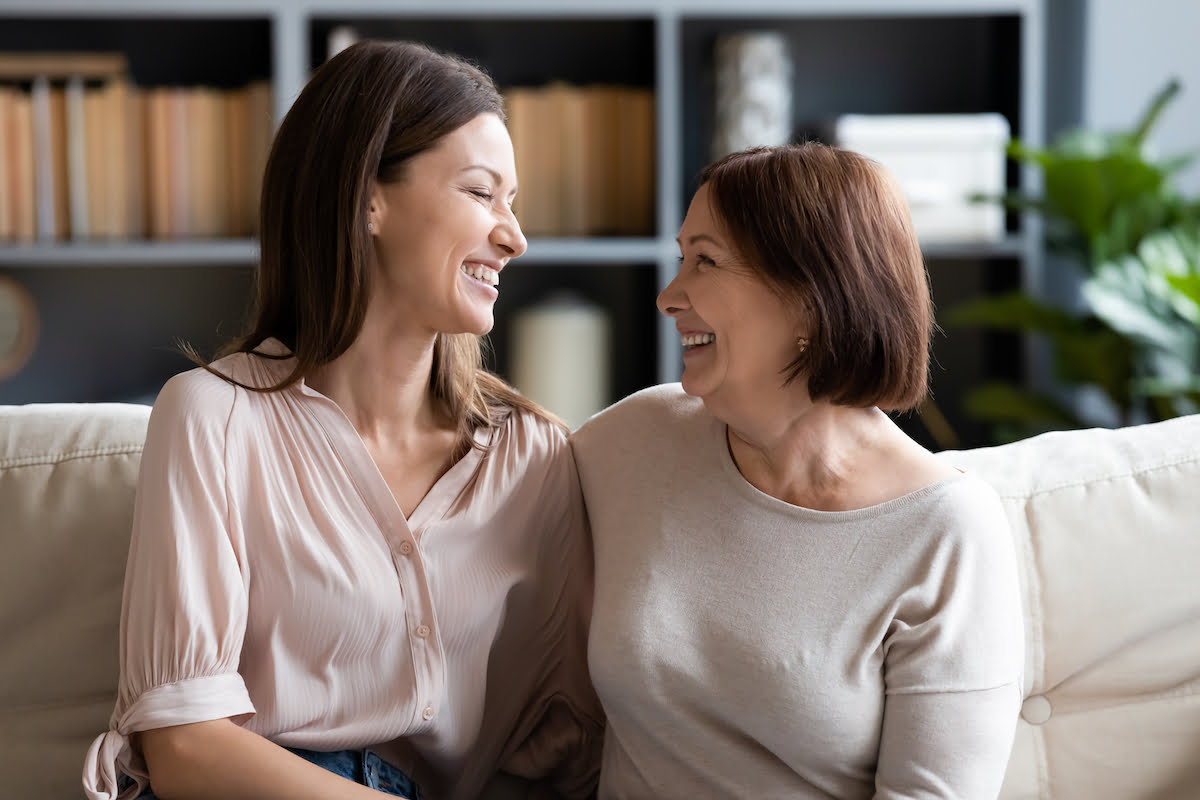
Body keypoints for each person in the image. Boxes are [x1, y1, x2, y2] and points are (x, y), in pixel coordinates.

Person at [83, 40, 602, 800]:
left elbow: (567, 737)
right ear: (368, 198)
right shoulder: (215, 418)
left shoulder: (530, 457)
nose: (513, 236)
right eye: (482, 193)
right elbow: (185, 746)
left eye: (513, 203)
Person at [571, 142, 1024, 799]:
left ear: (811, 297)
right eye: (680, 258)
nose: (670, 296)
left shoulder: (946, 531)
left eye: (706, 260)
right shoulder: (634, 440)